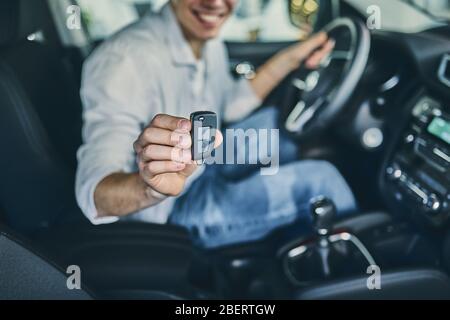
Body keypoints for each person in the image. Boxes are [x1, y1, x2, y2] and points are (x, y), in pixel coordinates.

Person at [76, 0, 357, 249]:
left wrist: (290, 59)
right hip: (174, 208)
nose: (216, 3)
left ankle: (294, 230)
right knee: (322, 179)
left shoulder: (208, 42)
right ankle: (351, 269)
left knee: (277, 128)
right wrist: (150, 186)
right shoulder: (123, 59)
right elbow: (96, 194)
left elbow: (230, 102)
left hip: (207, 161)